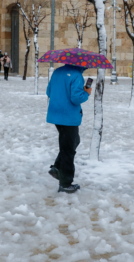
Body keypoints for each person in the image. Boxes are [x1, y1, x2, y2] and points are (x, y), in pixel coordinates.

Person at [46, 64, 91, 193]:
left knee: (74, 141)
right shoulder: (77, 75)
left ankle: (57, 168)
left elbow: (48, 91)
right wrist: (86, 93)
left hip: (56, 115)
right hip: (68, 117)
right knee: (68, 150)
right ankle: (65, 183)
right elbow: (76, 98)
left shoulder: (57, 71)